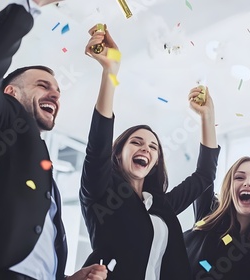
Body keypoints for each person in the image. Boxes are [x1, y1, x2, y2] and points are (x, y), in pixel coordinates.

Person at [0, 2, 107, 279]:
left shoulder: (37, 164)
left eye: (57, 91)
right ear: (10, 93)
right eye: (43, 86)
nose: (55, 95)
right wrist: (30, 6)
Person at [79, 24, 220, 280]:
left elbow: (204, 176)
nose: (146, 148)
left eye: (153, 147)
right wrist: (110, 72)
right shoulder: (99, 191)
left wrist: (207, 118)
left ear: (155, 162)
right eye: (136, 142)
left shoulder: (160, 204)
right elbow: (97, 145)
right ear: (118, 153)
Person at [184, 156, 250, 279]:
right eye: (239, 177)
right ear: (229, 187)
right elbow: (205, 168)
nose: (247, 183)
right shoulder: (210, 211)